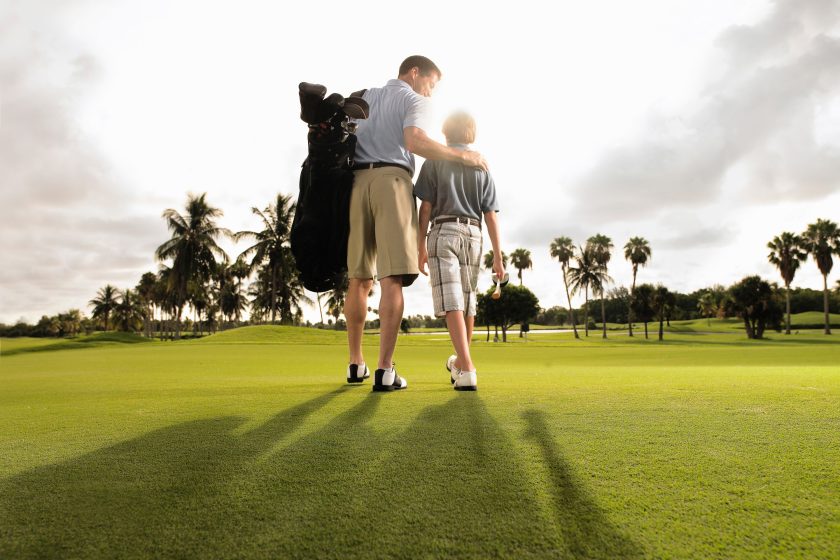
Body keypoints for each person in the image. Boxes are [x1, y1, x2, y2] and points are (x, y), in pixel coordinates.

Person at [343, 56, 488, 392]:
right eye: (431, 83)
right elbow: (415, 142)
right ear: (414, 73)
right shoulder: (413, 98)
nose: (431, 92)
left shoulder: (364, 96)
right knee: (391, 277)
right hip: (391, 182)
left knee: (358, 278)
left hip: (355, 185)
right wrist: (462, 156)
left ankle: (355, 364)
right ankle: (384, 370)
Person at [415, 111, 505, 391]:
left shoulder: (434, 160)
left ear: (446, 132)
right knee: (466, 302)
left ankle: (467, 368)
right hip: (475, 234)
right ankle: (460, 364)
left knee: (454, 300)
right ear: (470, 132)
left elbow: (426, 207)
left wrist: (420, 244)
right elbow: (490, 215)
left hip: (444, 231)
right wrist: (499, 257)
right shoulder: (482, 166)